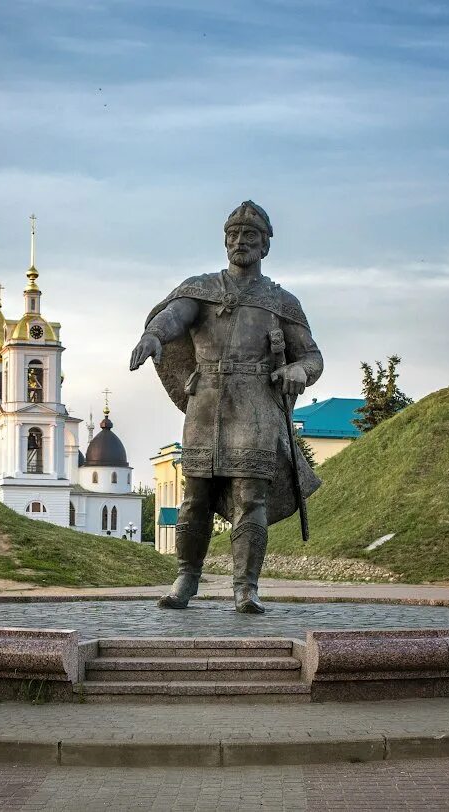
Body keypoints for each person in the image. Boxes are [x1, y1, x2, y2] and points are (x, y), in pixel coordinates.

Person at [129, 201, 323, 613]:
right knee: (195, 495)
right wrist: (153, 335)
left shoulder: (281, 302)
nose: (240, 242)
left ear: (265, 246)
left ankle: (245, 587)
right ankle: (186, 578)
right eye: (233, 236)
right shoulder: (202, 288)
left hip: (256, 406)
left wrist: (298, 373)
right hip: (206, 402)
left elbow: (312, 357)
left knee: (250, 497)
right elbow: (174, 315)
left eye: (249, 236)